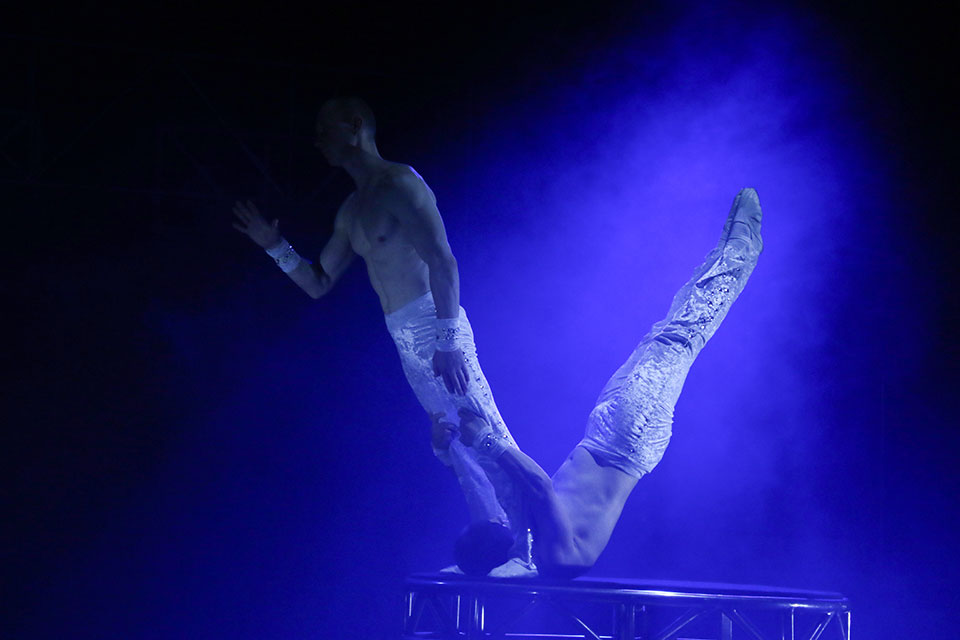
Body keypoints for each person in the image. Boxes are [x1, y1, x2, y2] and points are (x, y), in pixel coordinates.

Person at [231, 97, 530, 570]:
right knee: (454, 441)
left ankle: (526, 550)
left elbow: (443, 260)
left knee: (484, 428)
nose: (318, 140)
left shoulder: (400, 184)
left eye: (326, 129)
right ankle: (493, 542)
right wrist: (275, 246)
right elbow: (318, 283)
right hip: (403, 336)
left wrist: (449, 339)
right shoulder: (351, 210)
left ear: (355, 126)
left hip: (435, 323)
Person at [441, 188, 764, 578]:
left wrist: (452, 446)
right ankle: (743, 248)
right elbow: (539, 486)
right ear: (494, 552)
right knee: (680, 337)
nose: (492, 521)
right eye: (486, 529)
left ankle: (731, 248)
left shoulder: (522, 537)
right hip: (629, 438)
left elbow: (483, 489)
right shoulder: (556, 557)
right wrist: (485, 440)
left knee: (664, 334)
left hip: (605, 432)